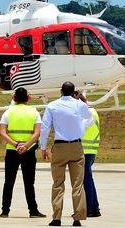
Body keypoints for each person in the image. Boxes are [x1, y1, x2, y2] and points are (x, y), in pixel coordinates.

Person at [39, 81, 94, 227]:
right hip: (76, 146)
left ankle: (56, 218)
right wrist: (80, 125)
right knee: (77, 184)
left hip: (60, 147)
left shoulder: (52, 106)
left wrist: (43, 147)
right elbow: (90, 118)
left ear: (60, 91)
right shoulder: (79, 105)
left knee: (58, 184)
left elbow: (45, 127)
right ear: (74, 92)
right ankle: (77, 218)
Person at [0, 86, 46, 219]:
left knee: (9, 181)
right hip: (29, 151)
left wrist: (16, 144)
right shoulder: (34, 112)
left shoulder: (8, 112)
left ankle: (5, 211)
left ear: (13, 98)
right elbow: (37, 132)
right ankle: (33, 210)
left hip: (12, 151)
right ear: (28, 98)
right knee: (29, 182)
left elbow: (2, 132)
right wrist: (26, 145)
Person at [79, 93, 101, 218]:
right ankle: (95, 207)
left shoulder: (87, 113)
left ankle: (89, 209)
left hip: (85, 151)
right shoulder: (93, 111)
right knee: (89, 180)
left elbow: (80, 127)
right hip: (91, 150)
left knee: (86, 180)